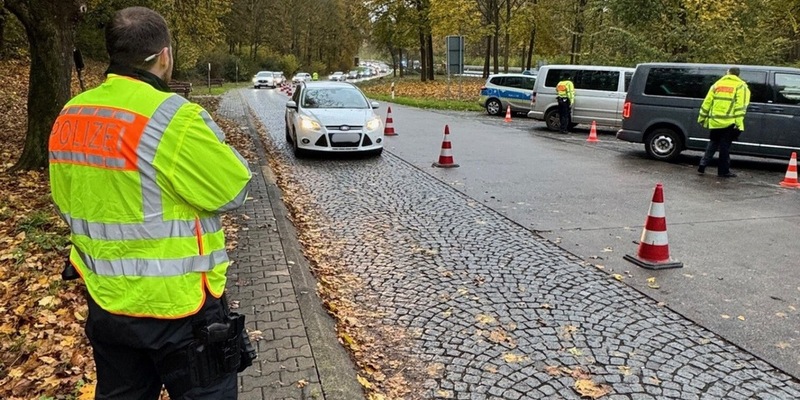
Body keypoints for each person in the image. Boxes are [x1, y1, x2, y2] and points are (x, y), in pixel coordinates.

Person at [48, 7, 254, 399]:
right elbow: (233, 190)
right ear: (164, 55)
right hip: (181, 311)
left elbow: (65, 199)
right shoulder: (174, 118)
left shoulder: (70, 115)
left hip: (108, 303)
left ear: (113, 53)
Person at [697, 67, 751, 177]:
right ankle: (723, 171)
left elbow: (707, 102)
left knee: (713, 143)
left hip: (715, 121)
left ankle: (702, 164)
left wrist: (701, 118)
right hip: (729, 122)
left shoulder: (717, 84)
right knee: (724, 147)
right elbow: (740, 107)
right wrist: (739, 124)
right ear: (738, 75)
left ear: (728, 73)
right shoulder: (741, 86)